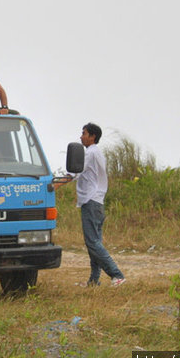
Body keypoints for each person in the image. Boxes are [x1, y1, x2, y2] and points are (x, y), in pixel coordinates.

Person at [70, 123, 125, 287]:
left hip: (91, 201)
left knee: (92, 243)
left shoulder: (90, 153)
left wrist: (54, 185)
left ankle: (117, 275)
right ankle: (94, 280)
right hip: (97, 201)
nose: (81, 137)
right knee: (95, 243)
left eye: (84, 133)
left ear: (93, 136)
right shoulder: (97, 153)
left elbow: (74, 172)